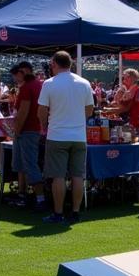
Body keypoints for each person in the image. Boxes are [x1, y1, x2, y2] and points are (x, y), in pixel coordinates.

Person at [38, 50, 94, 224]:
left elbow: (42, 111)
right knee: (78, 175)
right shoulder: (84, 83)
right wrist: (77, 121)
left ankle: (58, 212)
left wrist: (44, 126)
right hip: (78, 135)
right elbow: (89, 109)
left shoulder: (49, 83)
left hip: (57, 135)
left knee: (58, 176)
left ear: (54, 64)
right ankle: (75, 212)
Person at [10, 61, 45, 210]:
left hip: (27, 131)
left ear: (23, 72)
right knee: (22, 165)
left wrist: (16, 131)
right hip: (33, 130)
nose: (16, 79)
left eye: (17, 75)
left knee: (29, 164)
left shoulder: (27, 87)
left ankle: (40, 199)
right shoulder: (39, 85)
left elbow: (23, 112)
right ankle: (23, 195)